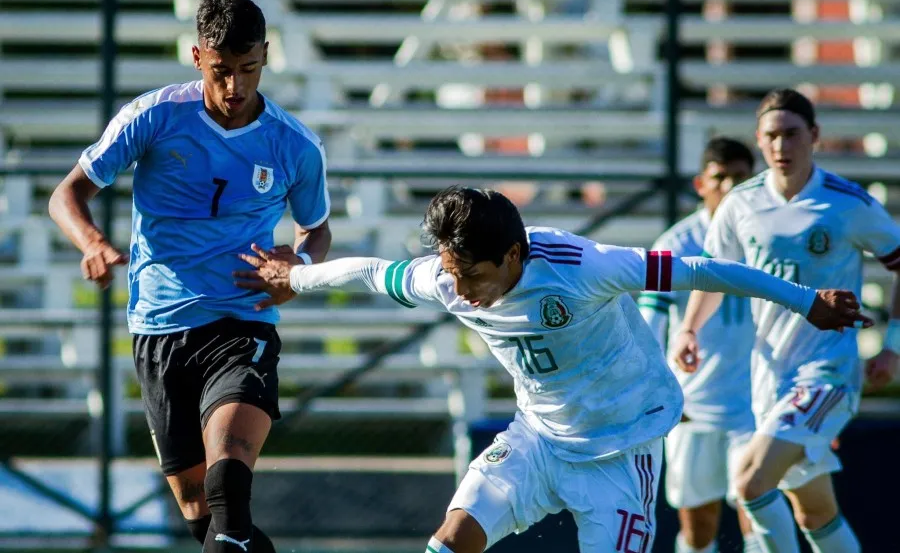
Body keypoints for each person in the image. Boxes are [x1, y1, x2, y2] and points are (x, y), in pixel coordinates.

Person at [233, 186, 868, 553]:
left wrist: (805, 301)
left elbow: (699, 269)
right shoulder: (448, 278)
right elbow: (372, 272)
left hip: (621, 449)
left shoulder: (584, 267)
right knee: (452, 540)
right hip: (536, 439)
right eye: (452, 273)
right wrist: (295, 277)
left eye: (473, 276)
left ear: (513, 255)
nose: (461, 291)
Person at [48, 0, 331, 552]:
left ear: (266, 55)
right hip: (158, 328)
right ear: (198, 56)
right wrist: (93, 242)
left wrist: (298, 268)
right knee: (205, 519)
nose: (235, 86)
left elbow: (316, 230)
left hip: (241, 323)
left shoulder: (295, 145)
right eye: (221, 70)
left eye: (248, 68)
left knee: (228, 483)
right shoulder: (155, 116)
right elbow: (67, 195)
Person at [672, 88, 900, 553]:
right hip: (768, 378)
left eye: (792, 134)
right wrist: (689, 329)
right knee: (815, 512)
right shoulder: (741, 203)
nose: (781, 146)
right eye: (771, 136)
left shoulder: (846, 202)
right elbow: (714, 276)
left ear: (814, 135)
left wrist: (893, 345)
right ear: (759, 140)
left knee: (750, 481)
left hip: (826, 375)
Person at [638, 137, 759, 553]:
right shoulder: (674, 245)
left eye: (740, 177)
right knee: (699, 526)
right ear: (700, 184)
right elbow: (649, 328)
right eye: (719, 177)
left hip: (757, 404)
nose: (729, 186)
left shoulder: (771, 238)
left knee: (758, 514)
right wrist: (662, 394)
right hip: (694, 405)